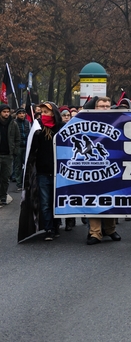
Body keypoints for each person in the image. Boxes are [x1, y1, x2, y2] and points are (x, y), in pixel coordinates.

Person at [87, 97, 121, 245]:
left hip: (113, 167)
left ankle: (110, 229)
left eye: (108, 106)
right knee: (93, 198)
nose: (105, 108)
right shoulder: (86, 122)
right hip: (93, 167)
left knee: (110, 198)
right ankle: (95, 233)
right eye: (102, 106)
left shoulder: (117, 121)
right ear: (95, 107)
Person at [25, 102, 62, 239]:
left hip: (59, 173)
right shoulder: (38, 129)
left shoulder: (61, 128)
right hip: (43, 173)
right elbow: (33, 150)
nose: (43, 114)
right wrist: (36, 134)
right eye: (42, 112)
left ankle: (56, 224)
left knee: (56, 202)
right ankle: (49, 229)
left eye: (46, 112)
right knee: (45, 203)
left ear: (53, 113)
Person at [0, 103, 20, 206]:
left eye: (8, 112)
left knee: (5, 177)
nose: (6, 114)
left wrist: (15, 150)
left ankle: (3, 196)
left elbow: (17, 138)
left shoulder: (13, 124)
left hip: (8, 155)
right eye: (4, 112)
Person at [12, 108, 30, 191]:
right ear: (17, 114)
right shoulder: (14, 123)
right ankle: (19, 183)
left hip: (26, 146)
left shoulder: (27, 123)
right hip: (18, 146)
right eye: (20, 113)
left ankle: (25, 182)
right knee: (18, 165)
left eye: (23, 113)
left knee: (27, 165)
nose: (22, 115)